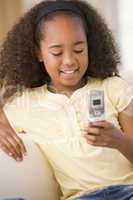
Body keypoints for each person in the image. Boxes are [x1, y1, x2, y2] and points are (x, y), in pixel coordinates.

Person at [0, 0, 133, 199]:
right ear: (39, 53)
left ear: (90, 45)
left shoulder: (113, 87)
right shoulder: (24, 103)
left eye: (79, 49)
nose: (69, 60)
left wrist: (119, 141)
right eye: (57, 52)